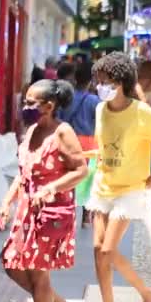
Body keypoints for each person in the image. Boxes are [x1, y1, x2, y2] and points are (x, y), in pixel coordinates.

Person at [87, 52, 151, 302]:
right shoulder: (100, 110)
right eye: (98, 79)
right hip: (103, 187)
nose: (100, 85)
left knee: (107, 251)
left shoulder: (142, 113)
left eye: (106, 80)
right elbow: (102, 146)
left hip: (131, 190)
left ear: (121, 81)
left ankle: (147, 295)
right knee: (97, 252)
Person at [0, 79, 87, 302]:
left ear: (48, 106)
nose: (24, 107)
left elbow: (81, 170)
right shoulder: (32, 130)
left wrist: (51, 187)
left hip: (49, 214)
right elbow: (23, 172)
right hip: (27, 211)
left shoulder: (63, 132)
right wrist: (6, 202)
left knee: (39, 277)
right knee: (12, 265)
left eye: (29, 103)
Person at [58, 62, 101, 228]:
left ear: (75, 79)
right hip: (88, 144)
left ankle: (66, 209)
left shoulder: (66, 98)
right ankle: (85, 216)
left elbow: (59, 117)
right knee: (87, 179)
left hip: (67, 140)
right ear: (91, 81)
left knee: (67, 175)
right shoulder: (94, 100)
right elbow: (100, 122)